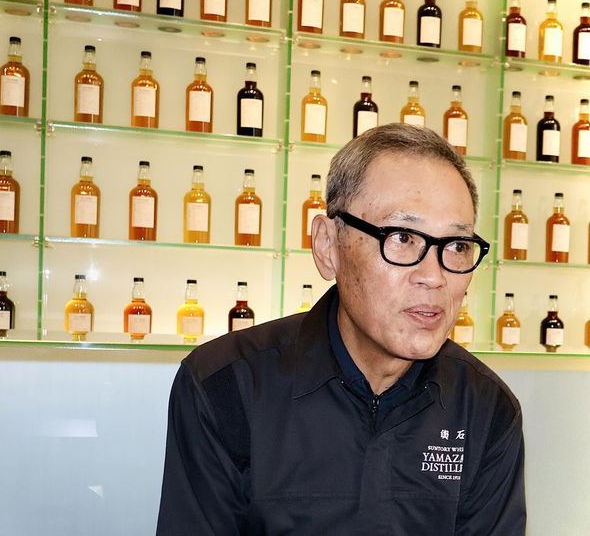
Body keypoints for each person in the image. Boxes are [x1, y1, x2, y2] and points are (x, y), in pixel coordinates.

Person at [156, 124, 525, 535]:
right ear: (327, 245)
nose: (434, 276)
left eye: (457, 246)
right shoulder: (226, 387)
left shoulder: (486, 409)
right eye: (402, 237)